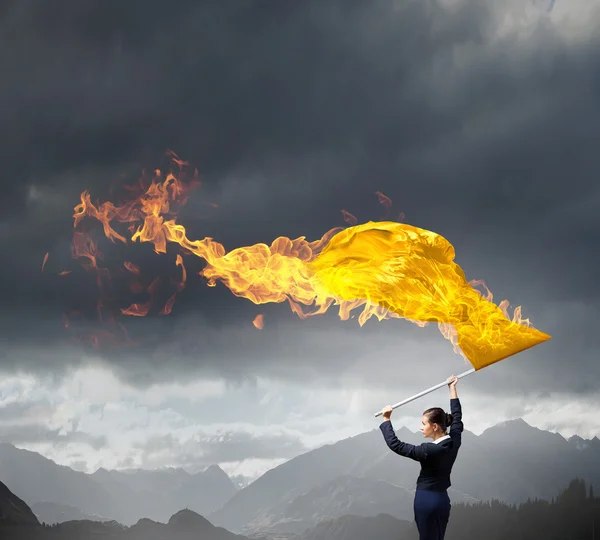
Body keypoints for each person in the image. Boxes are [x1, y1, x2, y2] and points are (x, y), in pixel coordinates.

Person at [379, 375, 463, 540]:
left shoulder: (429, 450)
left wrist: (386, 419)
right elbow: (457, 418)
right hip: (442, 500)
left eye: (423, 424)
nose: (420, 427)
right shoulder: (454, 442)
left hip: (426, 501)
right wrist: (453, 390)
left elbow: (396, 445)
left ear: (435, 426)